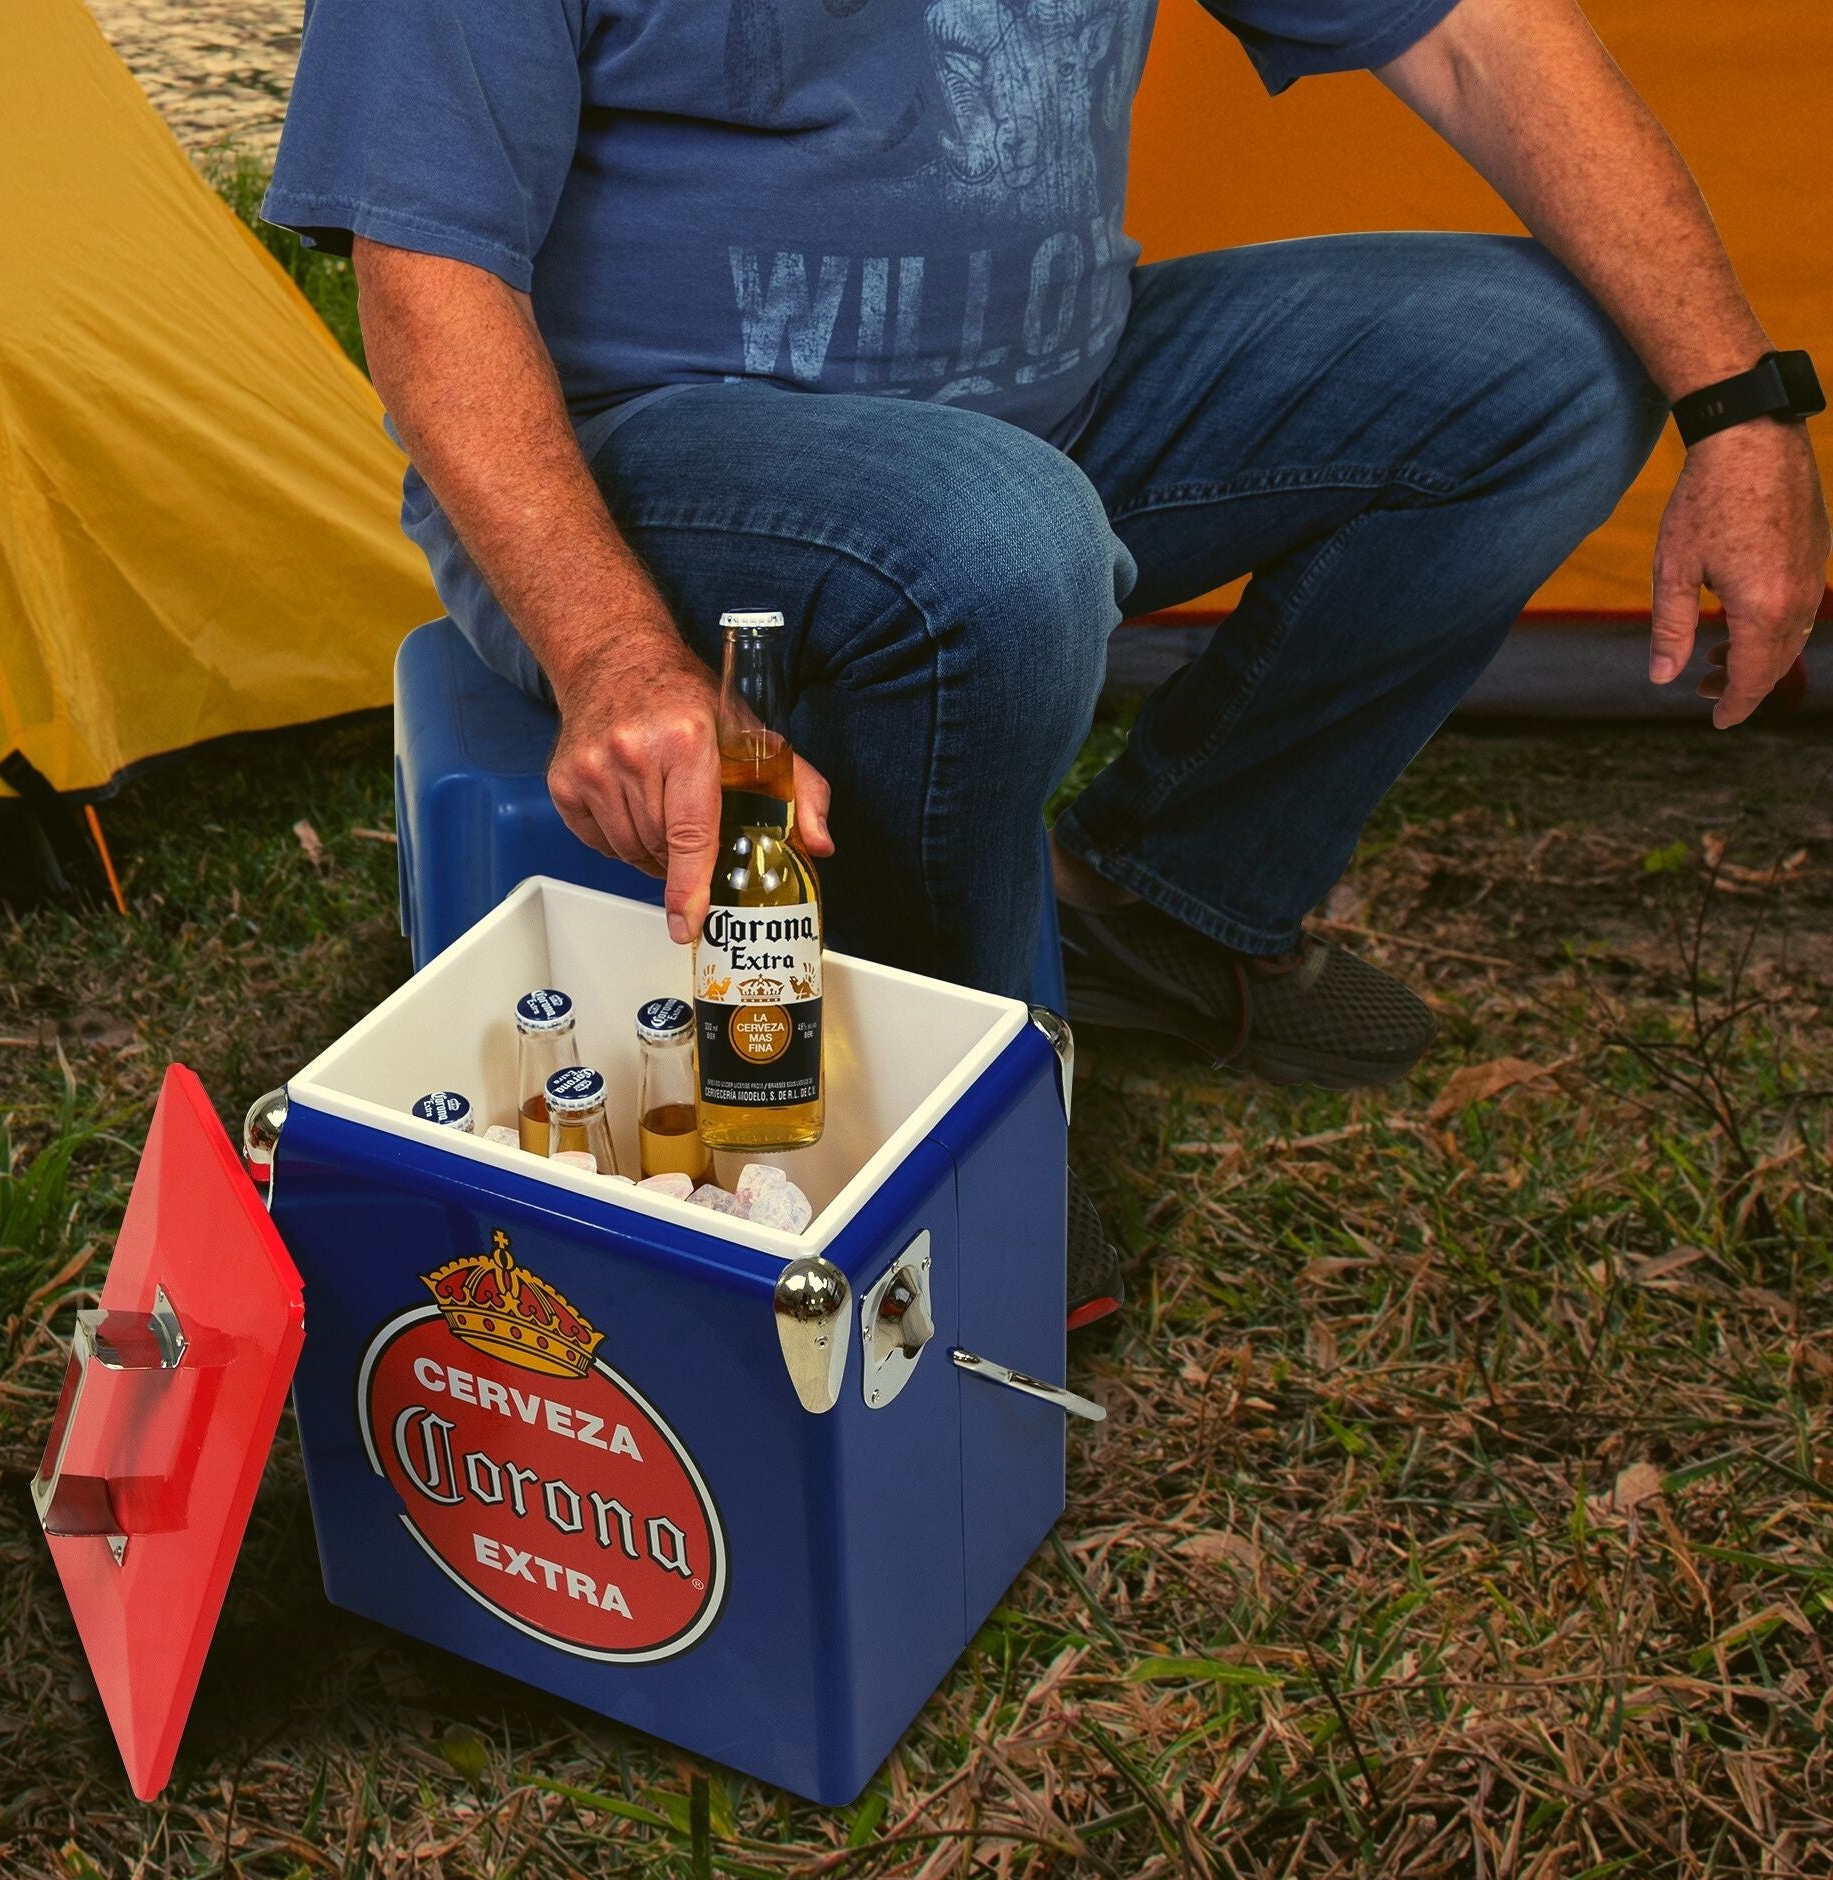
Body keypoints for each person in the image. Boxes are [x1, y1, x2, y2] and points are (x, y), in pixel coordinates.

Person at [264, 0, 1828, 1324]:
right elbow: (422, 281)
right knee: (1006, 538)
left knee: (1547, 363)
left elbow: (1483, 36)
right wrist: (612, 651)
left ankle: (1165, 905)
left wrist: (1745, 410)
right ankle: (948, 1122)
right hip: (638, 461)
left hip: (1054, 412)